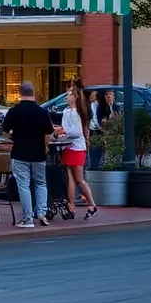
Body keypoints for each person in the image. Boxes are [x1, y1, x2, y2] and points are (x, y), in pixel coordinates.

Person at [0, 81, 52, 228]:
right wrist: (45, 148)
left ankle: (28, 217)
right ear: (33, 93)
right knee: (40, 183)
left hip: (20, 153)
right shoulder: (42, 112)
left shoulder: (14, 111)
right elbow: (48, 133)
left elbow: (5, 131)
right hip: (38, 153)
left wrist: (13, 135)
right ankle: (42, 212)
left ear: (20, 93)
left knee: (23, 185)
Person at [57, 84, 97, 220]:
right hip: (67, 147)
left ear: (75, 98)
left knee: (79, 179)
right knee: (70, 178)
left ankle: (92, 205)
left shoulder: (77, 113)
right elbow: (65, 128)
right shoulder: (66, 111)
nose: (67, 97)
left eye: (69, 95)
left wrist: (64, 131)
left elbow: (77, 132)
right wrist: (62, 132)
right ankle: (71, 206)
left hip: (77, 148)